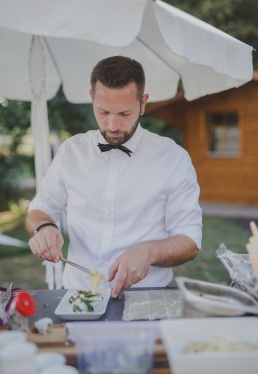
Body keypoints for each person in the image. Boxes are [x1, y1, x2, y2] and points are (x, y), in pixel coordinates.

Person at [26, 55, 202, 298]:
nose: (113, 125)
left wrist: (148, 252)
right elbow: (39, 211)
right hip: (78, 293)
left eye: (124, 113)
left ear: (143, 103)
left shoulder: (174, 159)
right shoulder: (70, 152)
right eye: (103, 111)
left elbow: (190, 240)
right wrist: (43, 228)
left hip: (147, 297)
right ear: (92, 98)